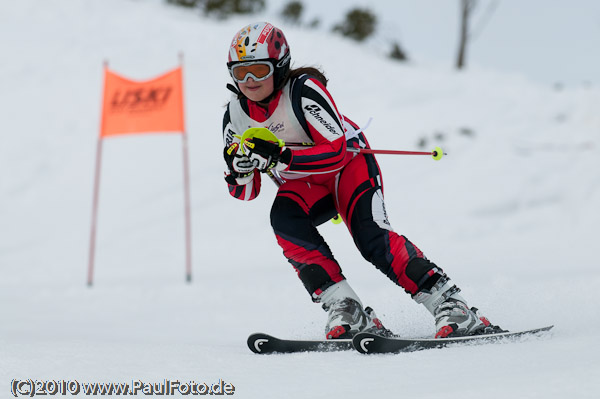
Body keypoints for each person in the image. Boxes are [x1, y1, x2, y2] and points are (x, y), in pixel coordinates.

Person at [222, 22, 502, 339]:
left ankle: (452, 305)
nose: (248, 81)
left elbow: (336, 152)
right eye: (239, 71)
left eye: (258, 70)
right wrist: (239, 168)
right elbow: (244, 193)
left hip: (348, 169)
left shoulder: (303, 89)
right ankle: (345, 307)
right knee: (284, 220)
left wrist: (282, 157)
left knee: (371, 240)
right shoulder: (235, 115)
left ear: (280, 65)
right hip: (306, 184)